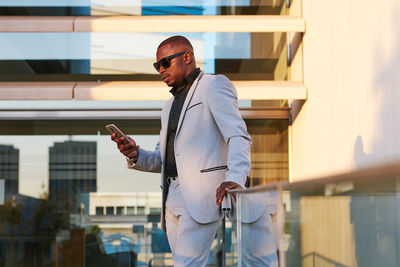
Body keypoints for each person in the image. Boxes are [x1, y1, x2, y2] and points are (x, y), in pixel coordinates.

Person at [111, 35, 252, 266]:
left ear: (187, 57)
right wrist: (134, 154)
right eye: (157, 65)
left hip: (203, 196)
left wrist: (235, 177)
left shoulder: (213, 85)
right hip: (171, 197)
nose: (161, 70)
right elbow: (162, 159)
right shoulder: (168, 107)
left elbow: (238, 135)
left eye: (165, 62)